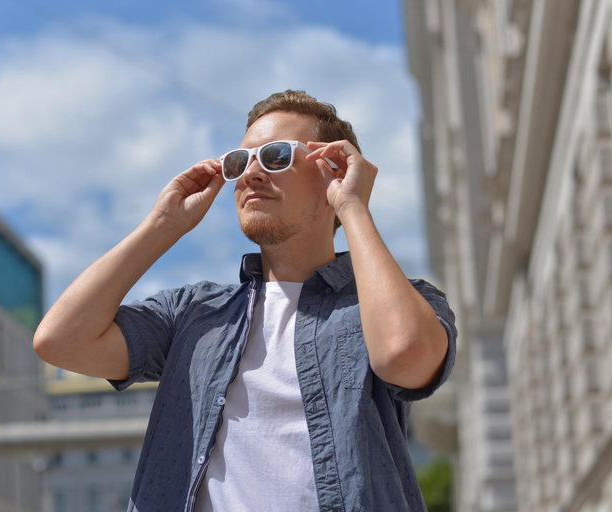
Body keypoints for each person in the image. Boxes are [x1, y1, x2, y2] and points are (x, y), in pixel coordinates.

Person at [33, 90, 457, 512]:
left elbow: (406, 355)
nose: (251, 174)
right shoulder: (193, 314)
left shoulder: (396, 302)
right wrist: (163, 224)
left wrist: (353, 208)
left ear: (334, 171)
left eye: (275, 157)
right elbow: (61, 340)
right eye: (241, 161)